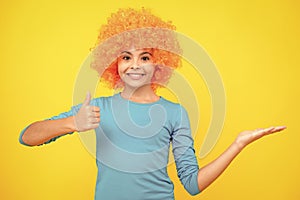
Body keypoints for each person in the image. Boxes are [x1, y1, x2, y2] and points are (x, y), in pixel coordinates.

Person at [19, 8, 286, 200]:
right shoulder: (95, 109)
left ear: (158, 63)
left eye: (144, 57)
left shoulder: (175, 113)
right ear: (115, 64)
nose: (135, 64)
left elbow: (192, 185)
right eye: (126, 57)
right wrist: (72, 123)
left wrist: (238, 143)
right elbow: (27, 137)